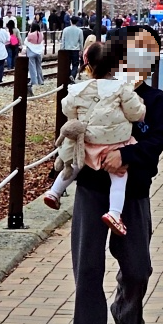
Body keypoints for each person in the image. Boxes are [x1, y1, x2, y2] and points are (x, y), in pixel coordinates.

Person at [67, 27, 163, 324]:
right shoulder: (90, 92)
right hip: (91, 189)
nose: (143, 59)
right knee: (88, 270)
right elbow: (71, 127)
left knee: (138, 267)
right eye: (136, 50)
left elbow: (157, 140)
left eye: (150, 52)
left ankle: (126, 315)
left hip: (133, 192)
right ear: (118, 56)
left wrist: (128, 157)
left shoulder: (154, 101)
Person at [45, 40, 146, 235]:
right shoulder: (122, 88)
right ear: (116, 65)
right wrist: (142, 109)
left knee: (75, 164)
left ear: (88, 66)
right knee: (119, 176)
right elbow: (134, 113)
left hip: (87, 142)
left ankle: (54, 192)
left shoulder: (78, 89)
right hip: (113, 145)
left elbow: (67, 109)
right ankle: (115, 213)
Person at [60, 16, 84, 81]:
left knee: (67, 64)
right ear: (77, 22)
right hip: (75, 50)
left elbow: (63, 40)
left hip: (66, 49)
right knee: (75, 64)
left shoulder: (65, 30)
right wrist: (81, 50)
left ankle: (70, 75)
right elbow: (81, 42)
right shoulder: (80, 31)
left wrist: (62, 49)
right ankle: (72, 75)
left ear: (70, 21)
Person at [25, 20, 45, 90]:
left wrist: (29, 32)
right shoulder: (41, 34)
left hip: (31, 52)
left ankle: (34, 81)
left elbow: (27, 41)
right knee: (39, 66)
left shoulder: (30, 35)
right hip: (39, 52)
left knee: (32, 68)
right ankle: (41, 80)